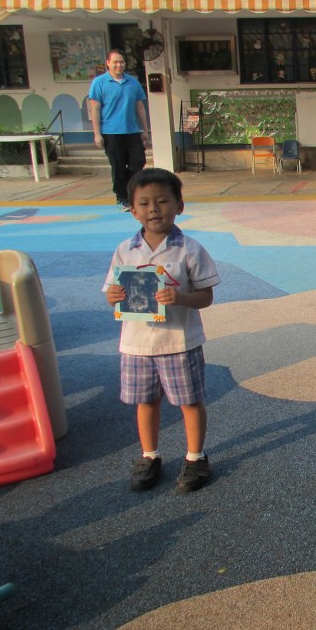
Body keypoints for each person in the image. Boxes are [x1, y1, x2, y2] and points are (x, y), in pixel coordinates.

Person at [104, 168, 221, 493]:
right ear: (132, 210)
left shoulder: (190, 249)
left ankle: (195, 457)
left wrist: (180, 298)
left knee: (190, 402)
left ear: (179, 205)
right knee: (146, 402)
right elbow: (112, 291)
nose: (153, 209)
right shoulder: (125, 250)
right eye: (144, 203)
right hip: (137, 344)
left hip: (179, 342)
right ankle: (149, 455)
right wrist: (113, 296)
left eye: (162, 201)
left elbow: (206, 296)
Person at [89, 49, 149, 211]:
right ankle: (122, 197)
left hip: (132, 131)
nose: (119, 65)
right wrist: (97, 133)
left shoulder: (133, 82)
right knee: (118, 166)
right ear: (108, 63)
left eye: (121, 62)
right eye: (115, 62)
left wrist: (145, 129)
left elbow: (140, 107)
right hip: (111, 133)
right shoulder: (99, 83)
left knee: (138, 162)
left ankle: (132, 192)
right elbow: (95, 109)